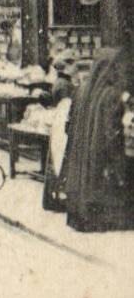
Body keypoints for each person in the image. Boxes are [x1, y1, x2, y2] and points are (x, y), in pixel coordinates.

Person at [60, 42, 134, 233]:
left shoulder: (83, 90)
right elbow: (112, 136)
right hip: (99, 161)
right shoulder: (110, 95)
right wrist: (120, 167)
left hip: (80, 160)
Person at [42, 75, 73, 214]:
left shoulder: (59, 85)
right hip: (61, 132)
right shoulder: (66, 100)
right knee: (59, 164)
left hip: (57, 130)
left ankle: (51, 198)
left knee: (54, 163)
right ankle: (56, 197)